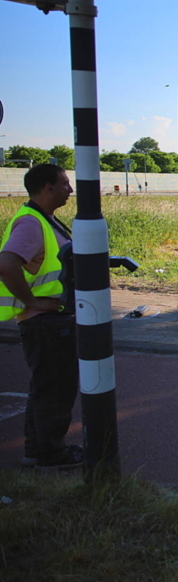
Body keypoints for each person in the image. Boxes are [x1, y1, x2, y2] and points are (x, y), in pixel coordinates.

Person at [0, 164, 82, 471]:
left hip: (49, 321)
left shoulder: (44, 220)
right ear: (47, 187)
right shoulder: (32, 224)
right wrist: (32, 300)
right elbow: (7, 263)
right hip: (45, 323)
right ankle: (51, 456)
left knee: (45, 388)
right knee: (56, 392)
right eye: (64, 183)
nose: (69, 189)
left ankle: (37, 452)